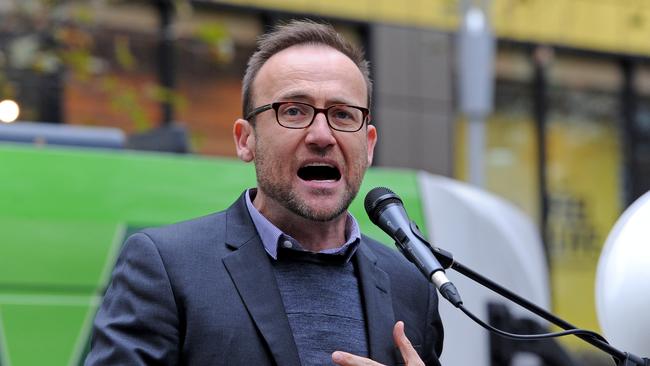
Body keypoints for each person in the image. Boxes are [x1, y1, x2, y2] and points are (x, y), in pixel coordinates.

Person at [85, 19, 444, 366]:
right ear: (246, 140)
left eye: (343, 115)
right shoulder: (165, 266)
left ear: (368, 146)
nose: (321, 135)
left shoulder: (412, 284)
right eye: (293, 110)